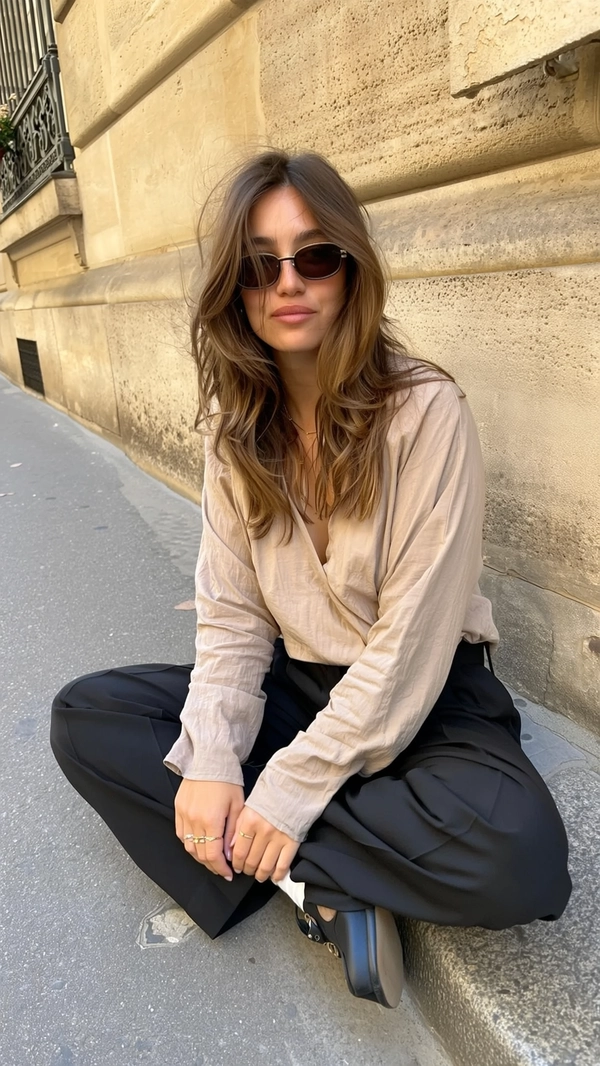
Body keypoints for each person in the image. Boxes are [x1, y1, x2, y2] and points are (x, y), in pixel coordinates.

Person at [50, 150, 571, 1010]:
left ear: (350, 268)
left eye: (314, 255)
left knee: (518, 854)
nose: (288, 282)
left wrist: (285, 792)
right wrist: (217, 756)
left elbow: (409, 650)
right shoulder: (233, 439)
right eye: (260, 264)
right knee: (85, 719)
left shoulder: (427, 411)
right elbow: (232, 621)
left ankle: (282, 861)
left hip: (429, 692)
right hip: (299, 686)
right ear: (236, 289)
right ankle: (326, 884)